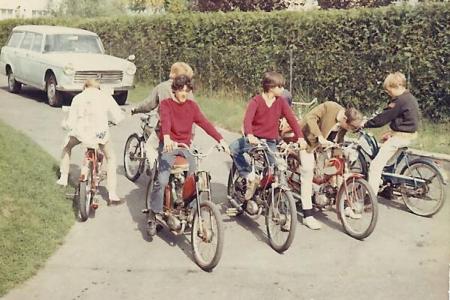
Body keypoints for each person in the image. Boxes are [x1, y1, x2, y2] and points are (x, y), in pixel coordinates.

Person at [147, 75, 229, 236]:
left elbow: (205, 123)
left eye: (187, 90)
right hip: (169, 146)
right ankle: (154, 214)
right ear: (175, 90)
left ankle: (189, 212)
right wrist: (168, 138)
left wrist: (221, 140)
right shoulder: (166, 104)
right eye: (181, 90)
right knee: (162, 180)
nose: (184, 93)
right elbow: (166, 121)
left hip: (185, 147)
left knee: (194, 180)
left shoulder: (192, 106)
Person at [229, 71, 306, 202]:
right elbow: (248, 120)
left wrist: (300, 137)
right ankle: (249, 175)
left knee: (276, 167)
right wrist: (250, 135)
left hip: (270, 141)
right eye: (280, 86)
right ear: (271, 87)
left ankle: (267, 194)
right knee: (233, 148)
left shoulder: (281, 102)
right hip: (254, 139)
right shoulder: (256, 101)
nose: (283, 89)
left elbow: (292, 119)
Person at [56, 79, 124, 202]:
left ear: (85, 87)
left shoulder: (78, 98)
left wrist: (64, 124)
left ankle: (63, 177)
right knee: (111, 157)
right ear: (97, 87)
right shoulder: (105, 96)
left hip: (81, 133)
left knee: (67, 147)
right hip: (100, 134)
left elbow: (71, 122)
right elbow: (118, 117)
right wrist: (114, 121)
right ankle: (112, 193)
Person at [299, 101, 364, 229]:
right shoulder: (329, 107)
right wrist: (319, 136)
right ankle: (307, 215)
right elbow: (310, 117)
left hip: (325, 145)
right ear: (345, 119)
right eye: (350, 127)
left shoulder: (344, 124)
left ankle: (344, 205)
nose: (349, 130)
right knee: (307, 172)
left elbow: (339, 140)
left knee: (339, 171)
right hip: (307, 141)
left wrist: (339, 157)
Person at [363, 72, 420, 197]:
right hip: (409, 134)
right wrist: (391, 132)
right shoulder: (408, 97)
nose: (389, 93)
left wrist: (365, 124)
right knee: (387, 155)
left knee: (375, 166)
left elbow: (383, 118)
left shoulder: (399, 101)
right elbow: (404, 120)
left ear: (397, 87)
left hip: (402, 137)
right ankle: (387, 186)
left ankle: (370, 198)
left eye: (389, 90)